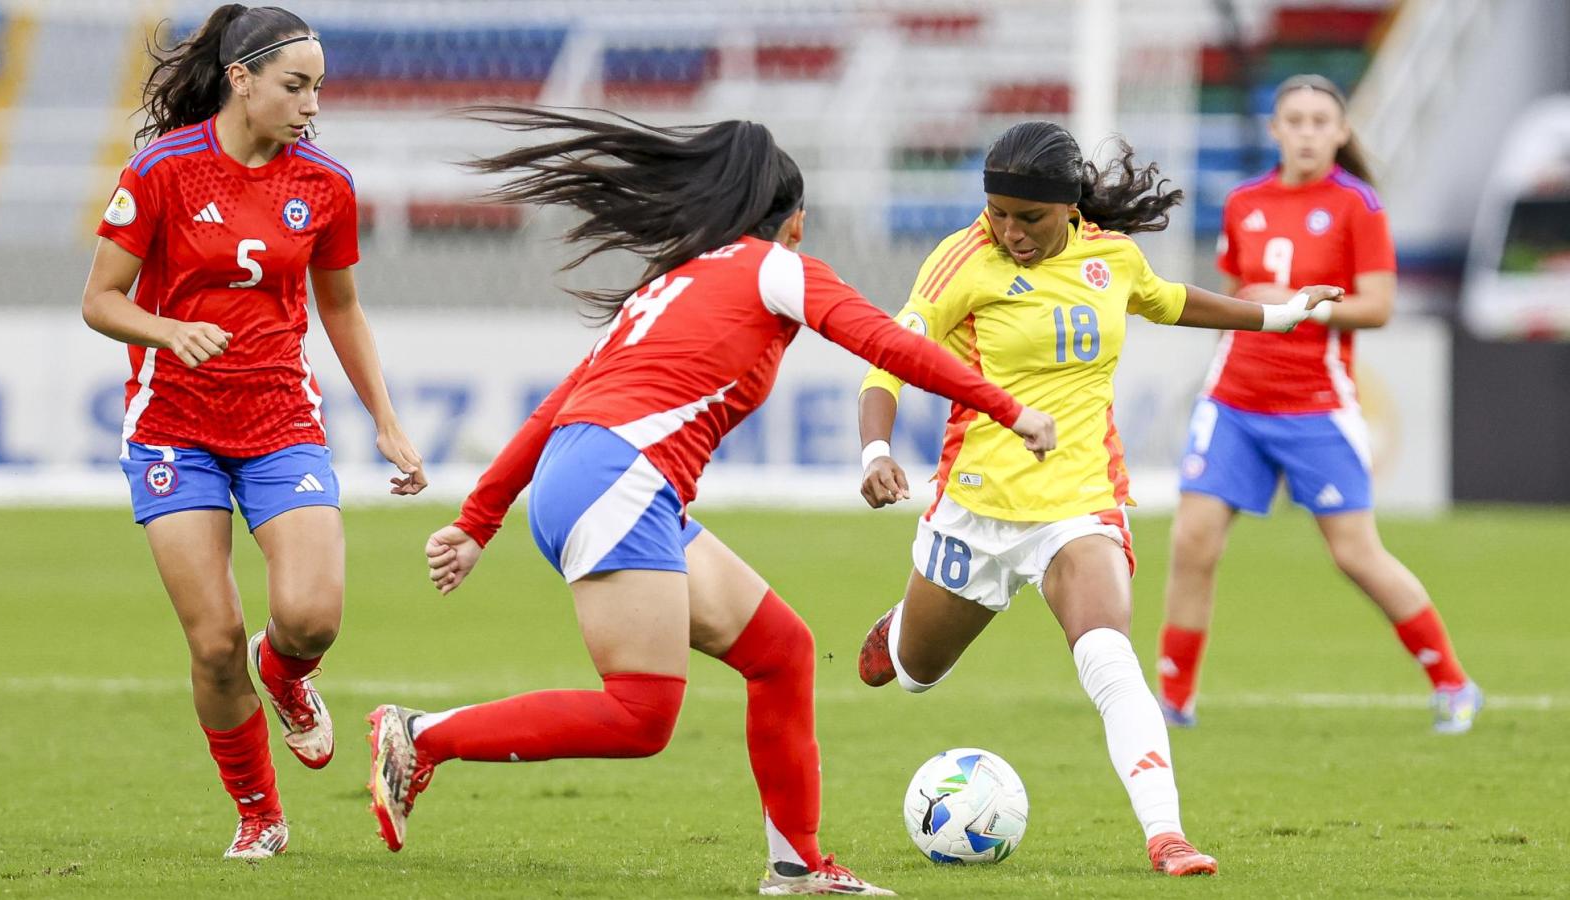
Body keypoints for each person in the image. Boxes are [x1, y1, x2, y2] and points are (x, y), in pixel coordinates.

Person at [362, 105, 1058, 896]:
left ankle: (798, 867)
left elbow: (558, 403)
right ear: (794, 222)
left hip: (596, 474)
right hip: (619, 481)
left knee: (781, 651)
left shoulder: (670, 284)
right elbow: (887, 341)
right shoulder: (774, 266)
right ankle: (421, 737)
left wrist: (478, 521)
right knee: (641, 714)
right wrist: (1011, 408)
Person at [851, 120, 1343, 877]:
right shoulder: (960, 261)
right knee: (911, 674)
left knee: (1110, 658)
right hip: (976, 509)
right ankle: (902, 624)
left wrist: (1281, 314)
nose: (1010, 232)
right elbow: (888, 355)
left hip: (1079, 502)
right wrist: (877, 451)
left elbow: (1172, 300)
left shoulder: (1112, 257)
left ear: (1071, 208)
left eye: (1030, 218)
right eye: (998, 213)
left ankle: (1167, 835)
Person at [81, 4, 427, 859]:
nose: (312, 104)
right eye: (295, 86)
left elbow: (341, 308)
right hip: (173, 429)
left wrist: (386, 421)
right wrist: (168, 332)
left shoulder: (325, 185)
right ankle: (259, 812)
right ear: (240, 80)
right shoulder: (162, 171)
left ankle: (291, 675)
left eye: (318, 88)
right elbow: (100, 301)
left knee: (310, 617)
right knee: (213, 643)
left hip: (279, 420)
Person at [1155, 74, 1482, 735]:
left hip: (1314, 406)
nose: (1306, 132)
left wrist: (1301, 302)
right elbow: (1232, 299)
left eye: (1319, 121)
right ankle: (1172, 701)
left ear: (1340, 133)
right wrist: (1252, 316)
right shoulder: (1244, 202)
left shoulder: (1358, 205)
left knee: (1356, 555)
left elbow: (1380, 306)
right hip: (1233, 401)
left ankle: (1452, 682)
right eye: (1294, 121)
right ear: (1275, 130)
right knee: (1192, 541)